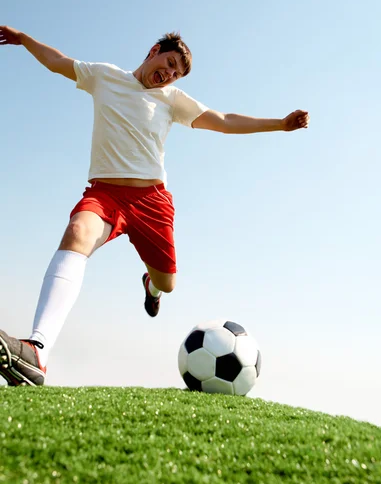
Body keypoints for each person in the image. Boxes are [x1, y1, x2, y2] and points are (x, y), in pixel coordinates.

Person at [0, 25, 309, 387]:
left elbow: (224, 122)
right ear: (154, 51)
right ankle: (38, 350)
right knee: (76, 233)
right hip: (105, 195)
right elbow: (58, 62)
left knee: (168, 282)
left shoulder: (172, 99)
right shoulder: (104, 76)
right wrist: (25, 40)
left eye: (177, 73)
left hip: (152, 203)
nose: (170, 74)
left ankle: (152, 287)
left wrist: (280, 125)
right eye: (170, 63)